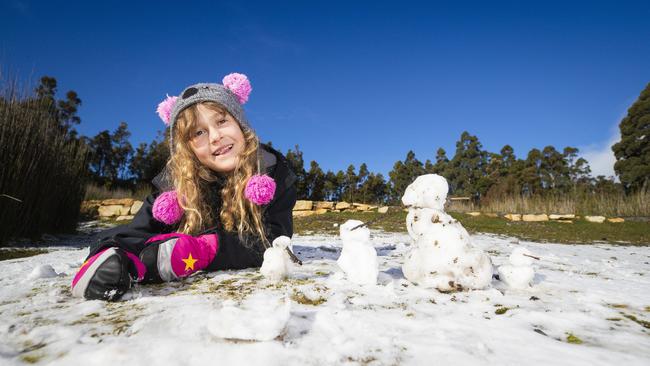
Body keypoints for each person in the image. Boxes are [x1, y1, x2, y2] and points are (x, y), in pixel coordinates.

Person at [71, 73, 297, 301]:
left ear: (241, 125)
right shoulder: (176, 188)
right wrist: (109, 252)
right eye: (198, 133)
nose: (216, 137)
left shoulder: (272, 174)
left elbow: (275, 239)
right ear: (188, 149)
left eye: (222, 121)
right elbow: (133, 231)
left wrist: (203, 250)